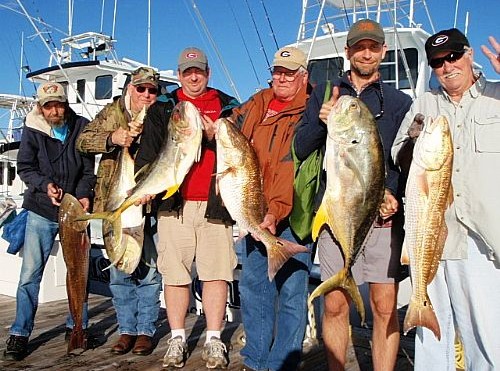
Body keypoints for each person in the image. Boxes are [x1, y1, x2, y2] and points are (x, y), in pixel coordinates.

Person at [294, 19, 412, 370]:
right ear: (348, 52)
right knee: (334, 303)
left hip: (381, 220)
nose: (366, 53)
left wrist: (391, 192)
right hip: (336, 213)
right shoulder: (322, 93)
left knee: (384, 305)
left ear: (383, 52)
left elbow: (403, 159)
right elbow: (301, 147)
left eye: (373, 47)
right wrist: (320, 119)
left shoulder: (398, 102)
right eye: (359, 47)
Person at [392, 28, 500, 371]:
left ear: (469, 55)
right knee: (430, 342)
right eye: (437, 62)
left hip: (481, 237)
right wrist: (411, 141)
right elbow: (399, 156)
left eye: (453, 56)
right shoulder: (424, 102)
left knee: (486, 335)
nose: (446, 66)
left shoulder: (497, 95)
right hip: (431, 235)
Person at [134, 47, 239, 369]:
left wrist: (213, 135)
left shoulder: (229, 107)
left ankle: (213, 339)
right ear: (179, 75)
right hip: (173, 205)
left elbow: (241, 150)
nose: (194, 76)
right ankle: (177, 337)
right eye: (187, 71)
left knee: (216, 274)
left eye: (200, 71)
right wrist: (144, 188)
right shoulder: (162, 108)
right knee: (175, 274)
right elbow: (148, 154)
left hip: (216, 204)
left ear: (208, 73)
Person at [229, 46, 312, 371]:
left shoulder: (308, 112)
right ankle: (256, 360)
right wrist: (213, 126)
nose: (281, 77)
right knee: (254, 289)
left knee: (291, 293)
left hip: (292, 215)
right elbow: (230, 127)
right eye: (278, 70)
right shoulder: (257, 102)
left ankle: (282, 364)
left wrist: (275, 211)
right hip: (254, 210)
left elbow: (287, 167)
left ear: (303, 76)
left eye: (289, 72)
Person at [3, 82, 96, 361]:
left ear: (66, 104)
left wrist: (82, 195)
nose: (55, 110)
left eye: (59, 104)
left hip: (76, 211)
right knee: (30, 274)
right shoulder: (32, 130)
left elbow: (89, 170)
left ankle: (77, 326)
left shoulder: (81, 125)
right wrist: (45, 186)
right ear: (40, 107)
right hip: (42, 209)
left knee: (78, 272)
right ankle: (20, 332)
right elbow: (25, 168)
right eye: (49, 105)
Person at [76, 66, 162, 356]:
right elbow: (83, 141)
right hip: (113, 206)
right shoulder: (111, 112)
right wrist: (113, 138)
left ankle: (145, 331)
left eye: (152, 90)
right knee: (120, 271)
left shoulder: (161, 115)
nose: (147, 95)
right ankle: (126, 329)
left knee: (149, 271)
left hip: (147, 205)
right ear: (130, 89)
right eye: (141, 89)